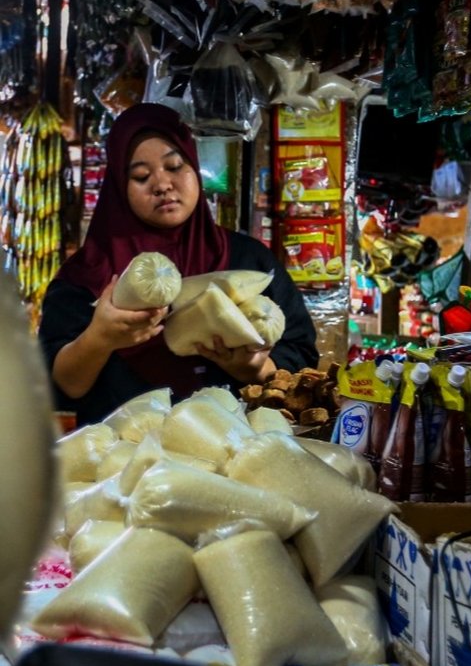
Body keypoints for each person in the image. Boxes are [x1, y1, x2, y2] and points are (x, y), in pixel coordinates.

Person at [39, 103, 318, 425]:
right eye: (141, 176)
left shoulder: (249, 261)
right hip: (124, 461)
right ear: (118, 186)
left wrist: (257, 369)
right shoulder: (88, 275)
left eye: (174, 166)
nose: (162, 184)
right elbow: (59, 388)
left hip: (235, 459)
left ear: (195, 167)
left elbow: (302, 358)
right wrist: (100, 338)